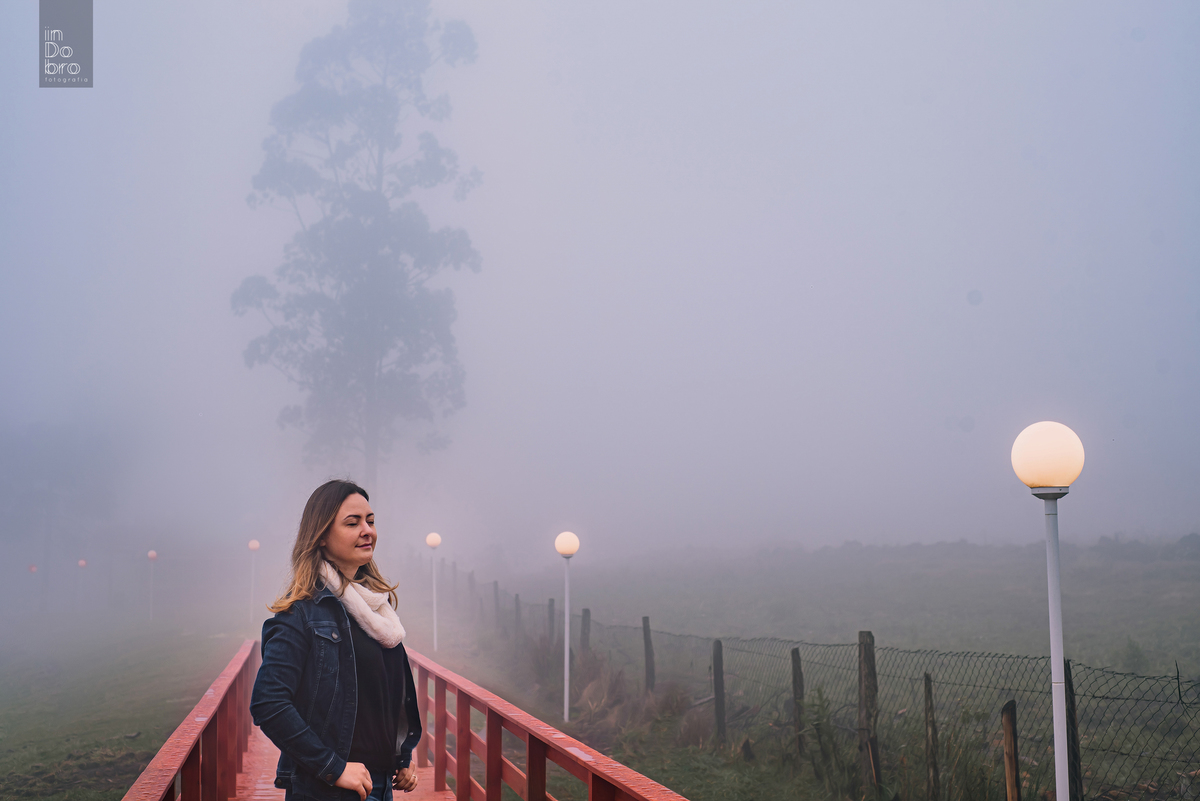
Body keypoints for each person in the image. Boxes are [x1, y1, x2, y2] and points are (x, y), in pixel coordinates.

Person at [251, 480, 422, 801]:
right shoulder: (301, 613)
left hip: (381, 785)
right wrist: (333, 767)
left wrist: (402, 757)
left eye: (370, 521)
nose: (367, 530)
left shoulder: (379, 611)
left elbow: (381, 697)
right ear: (322, 537)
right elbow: (268, 702)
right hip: (327, 790)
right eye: (352, 522)